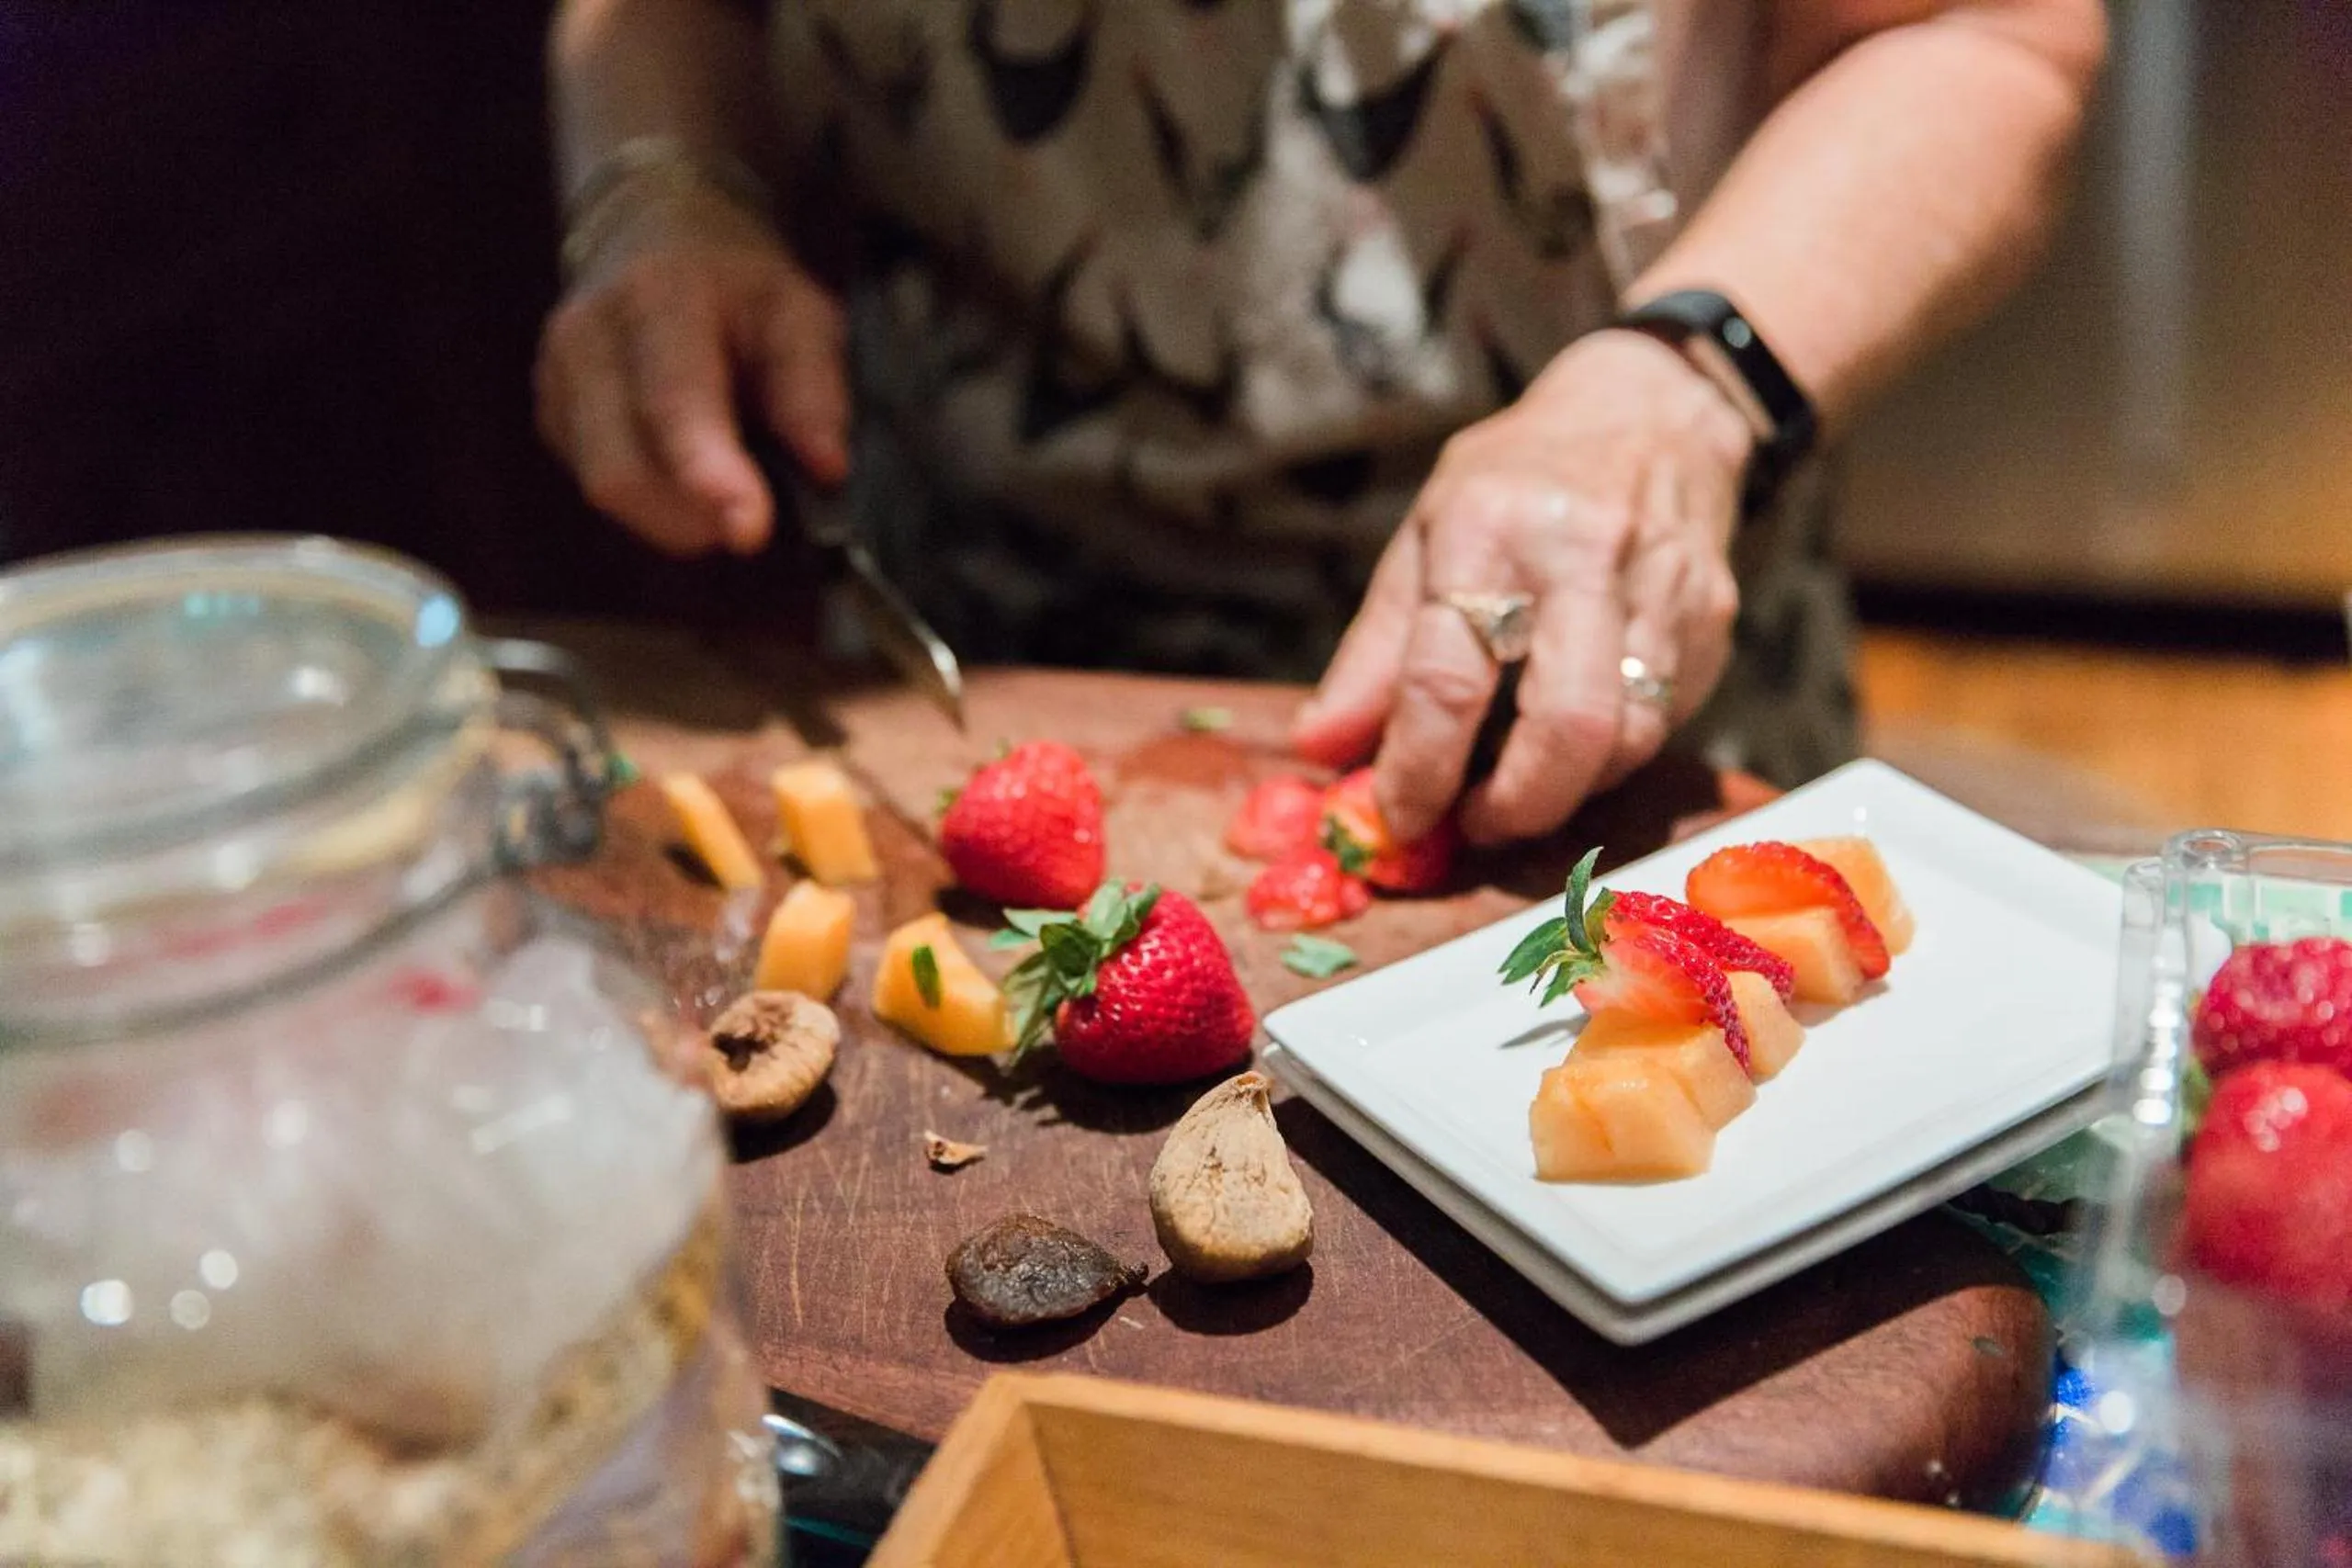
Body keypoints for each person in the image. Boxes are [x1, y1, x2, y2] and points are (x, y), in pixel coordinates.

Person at [536, 0, 2104, 846]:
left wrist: (1681, 381)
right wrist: (665, 187)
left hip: (1607, 663)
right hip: (955, 663)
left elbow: (1977, 31)